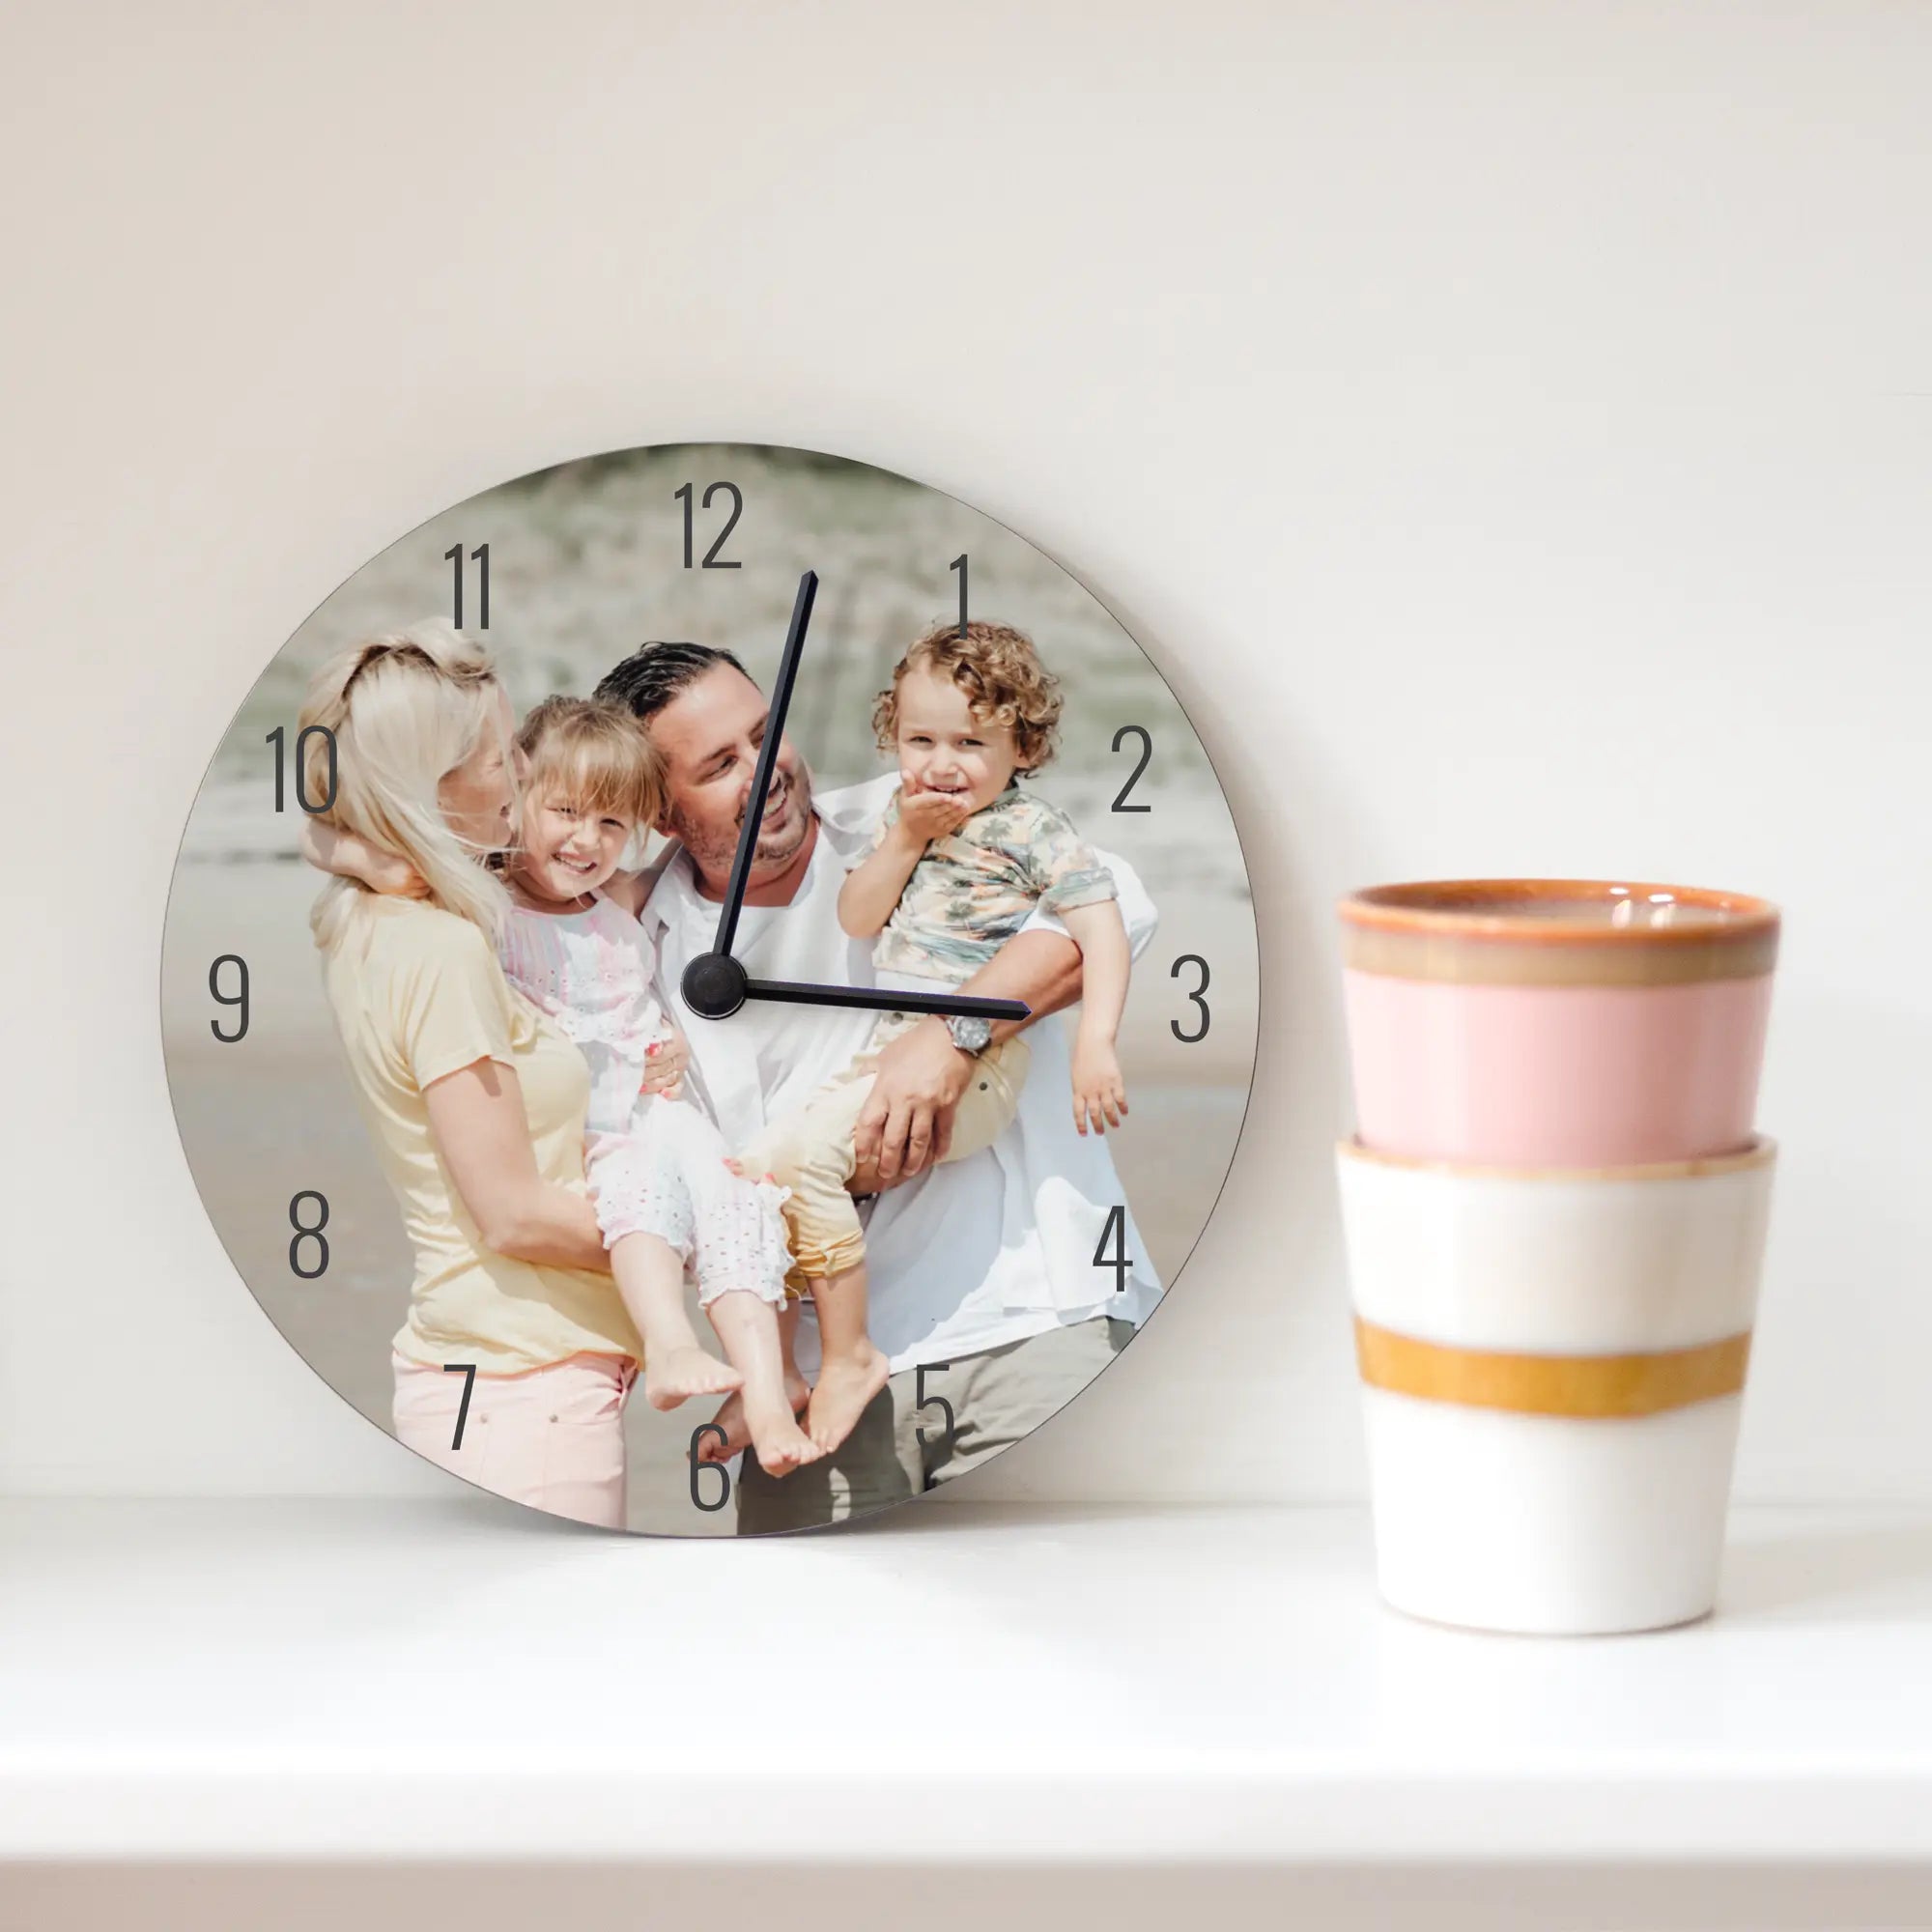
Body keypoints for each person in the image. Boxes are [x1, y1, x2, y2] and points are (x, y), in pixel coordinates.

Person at [595, 638, 1161, 1532]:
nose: (766, 771)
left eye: (766, 733)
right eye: (720, 765)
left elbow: (1111, 899)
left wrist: (952, 1033)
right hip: (818, 1381)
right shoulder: (634, 943)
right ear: (660, 812)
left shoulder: (905, 818)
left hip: (1028, 1321)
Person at [310, 695, 818, 1477]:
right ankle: (672, 1343)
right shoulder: (481, 903)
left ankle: (770, 1388)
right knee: (647, 1201)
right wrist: (373, 862)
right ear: (517, 798)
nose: (588, 841)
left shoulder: (617, 901)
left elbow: (705, 864)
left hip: (660, 1111)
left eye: (613, 824)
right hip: (604, 1139)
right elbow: (321, 835)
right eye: (567, 812)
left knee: (738, 1198)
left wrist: (676, 1035)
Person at [736, 621, 1133, 1458]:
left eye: (970, 743)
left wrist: (1096, 1043)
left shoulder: (1031, 829)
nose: (943, 765)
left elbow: (1105, 924)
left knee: (802, 1162)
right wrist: (906, 837)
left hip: (983, 1061)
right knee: (760, 1174)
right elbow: (857, 916)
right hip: (888, 1044)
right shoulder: (901, 817)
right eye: (921, 741)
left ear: (1023, 747)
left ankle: (847, 1355)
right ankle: (775, 1375)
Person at [297, 621, 648, 1530]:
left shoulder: (371, 916)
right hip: (526, 1385)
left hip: (491, 1370)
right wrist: (699, 1237)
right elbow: (514, 1213)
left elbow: (327, 833)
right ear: (435, 785)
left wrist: (370, 847)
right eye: (499, 759)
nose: (521, 776)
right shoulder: (446, 952)